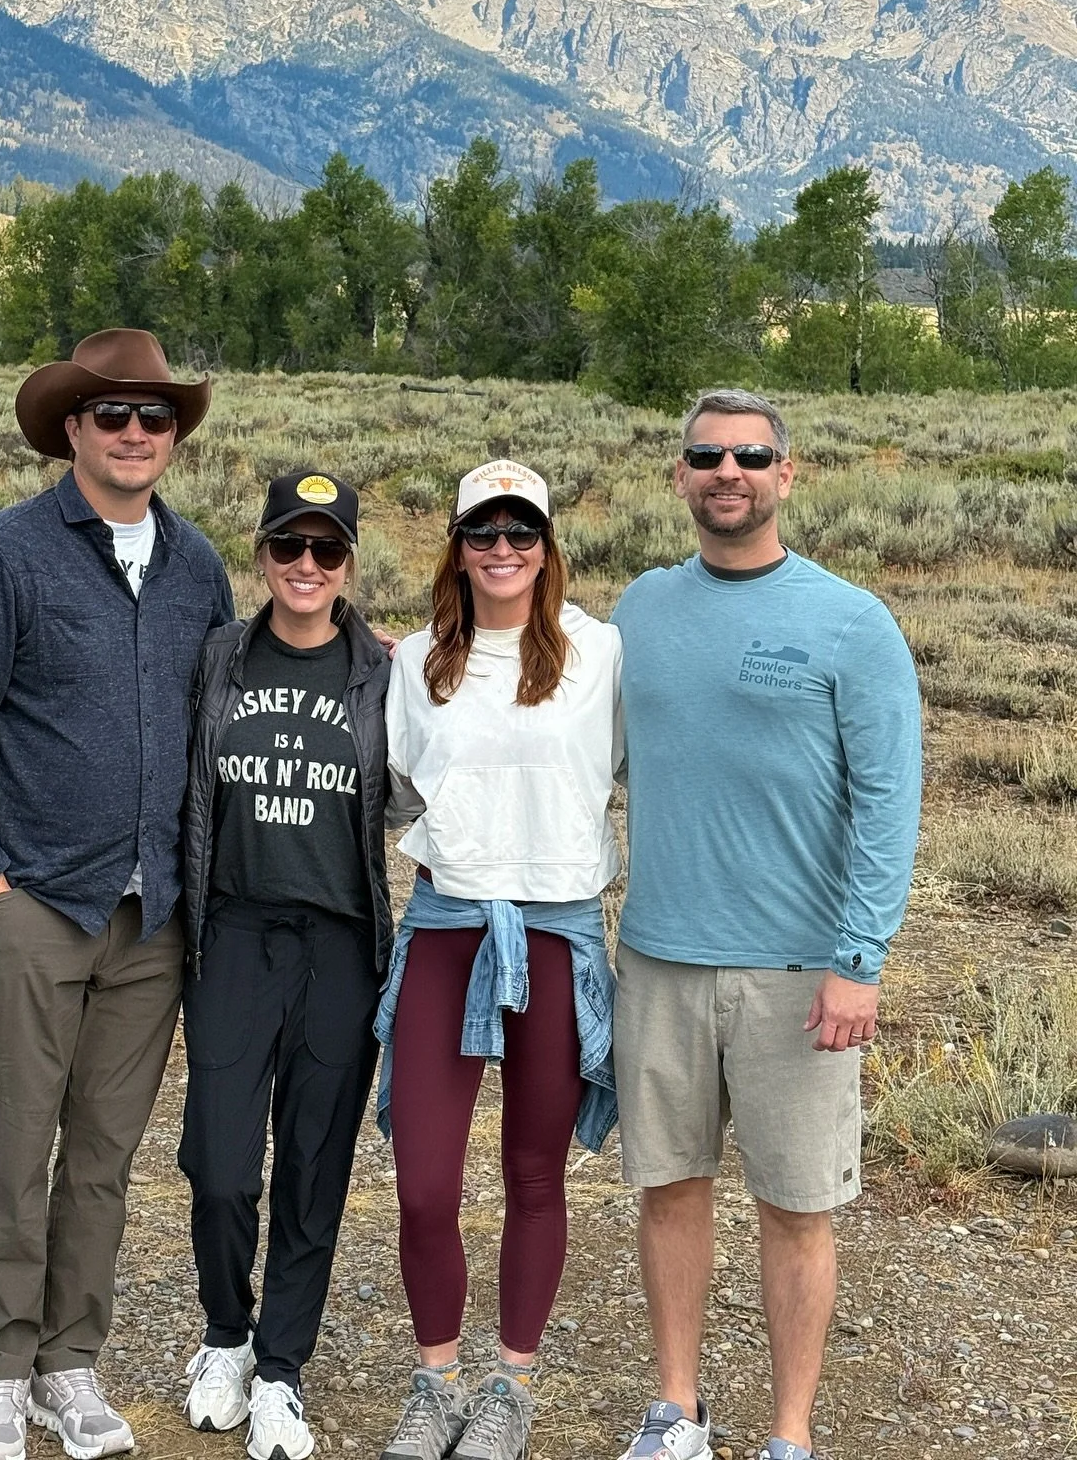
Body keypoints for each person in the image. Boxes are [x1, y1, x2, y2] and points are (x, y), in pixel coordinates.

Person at [0, 328, 235, 1460]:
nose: (137, 433)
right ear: (72, 430)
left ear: (174, 436)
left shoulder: (197, 566)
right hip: (34, 904)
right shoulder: (0, 558)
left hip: (153, 921)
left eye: (156, 417)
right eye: (114, 416)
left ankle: (68, 1364)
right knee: (11, 1146)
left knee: (102, 1156)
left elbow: (223, 717)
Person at [609, 389, 922, 1460]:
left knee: (796, 1208)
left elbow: (890, 799)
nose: (726, 472)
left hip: (800, 976)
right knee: (669, 1192)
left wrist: (860, 958)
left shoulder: (851, 621)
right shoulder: (639, 610)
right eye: (706, 455)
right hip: (658, 959)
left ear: (788, 474)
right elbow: (543, 703)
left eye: (750, 455)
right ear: (680, 475)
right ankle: (676, 1411)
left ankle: (791, 1435)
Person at [375, 460, 624, 1460]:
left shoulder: (603, 653)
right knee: (425, 1184)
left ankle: (510, 1385)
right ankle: (435, 1383)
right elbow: (390, 793)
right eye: (485, 531)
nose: (504, 549)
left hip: (557, 933)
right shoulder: (418, 662)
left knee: (535, 1173)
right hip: (446, 928)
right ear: (458, 545)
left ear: (548, 545)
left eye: (524, 531)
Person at [177, 470, 393, 1460]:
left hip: (340, 941)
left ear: (349, 563)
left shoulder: (380, 672)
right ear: (260, 554)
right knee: (221, 1164)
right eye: (288, 547)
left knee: (314, 1162)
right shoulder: (219, 656)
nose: (307, 567)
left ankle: (279, 1367)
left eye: (328, 550)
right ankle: (224, 1334)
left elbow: (427, 799)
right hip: (235, 931)